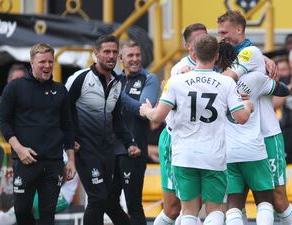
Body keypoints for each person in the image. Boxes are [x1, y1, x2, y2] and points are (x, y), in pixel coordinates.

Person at [140, 34, 253, 225]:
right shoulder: (226, 83)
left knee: (189, 212)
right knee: (216, 210)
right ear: (217, 55)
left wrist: (146, 110)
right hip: (213, 155)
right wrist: (249, 106)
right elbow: (241, 118)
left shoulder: (176, 81)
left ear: (194, 53)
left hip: (184, 155)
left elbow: (158, 116)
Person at [217, 10, 292, 225]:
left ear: (239, 29)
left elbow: (229, 78)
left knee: (278, 199)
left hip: (267, 135)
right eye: (219, 33)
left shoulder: (249, 53)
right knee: (237, 201)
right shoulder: (229, 59)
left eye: (225, 32)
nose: (222, 37)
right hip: (239, 137)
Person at [65, 34, 141, 225]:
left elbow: (116, 118)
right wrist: (69, 138)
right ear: (95, 54)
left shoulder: (117, 82)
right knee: (98, 198)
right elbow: (61, 110)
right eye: (106, 51)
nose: (111, 56)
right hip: (85, 149)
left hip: (107, 150)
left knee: (108, 201)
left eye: (115, 52)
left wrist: (129, 143)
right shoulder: (80, 79)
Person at [0, 43, 76, 225]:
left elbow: (68, 126)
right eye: (42, 62)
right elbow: (3, 121)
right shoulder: (15, 87)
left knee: (48, 214)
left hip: (53, 162)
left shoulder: (60, 90)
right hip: (26, 161)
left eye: (50, 61)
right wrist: (19, 149)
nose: (47, 66)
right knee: (21, 211)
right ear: (32, 63)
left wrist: (71, 160)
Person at [153, 23, 207, 225]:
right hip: (176, 142)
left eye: (205, 38)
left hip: (201, 143)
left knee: (194, 207)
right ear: (187, 46)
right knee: (174, 209)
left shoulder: (213, 63)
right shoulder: (180, 71)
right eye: (197, 41)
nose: (203, 43)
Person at [108, 39, 159, 225]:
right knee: (107, 202)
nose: (135, 59)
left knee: (133, 205)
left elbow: (143, 110)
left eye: (138, 55)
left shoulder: (149, 79)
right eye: (130, 55)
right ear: (121, 58)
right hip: (110, 150)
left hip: (134, 150)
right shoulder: (114, 79)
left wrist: (115, 94)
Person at [0, 152, 79, 225]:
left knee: (16, 213)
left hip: (63, 193)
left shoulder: (63, 144)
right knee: (20, 211)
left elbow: (61, 176)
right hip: (43, 184)